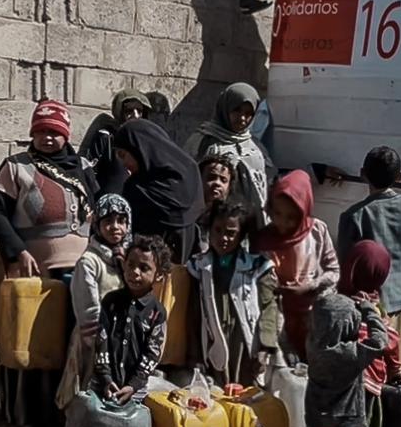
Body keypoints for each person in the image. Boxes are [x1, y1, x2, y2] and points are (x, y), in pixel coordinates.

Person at [0, 98, 97, 427]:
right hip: (35, 273)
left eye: (55, 132)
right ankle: (28, 420)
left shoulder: (82, 167)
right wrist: (17, 250)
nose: (48, 138)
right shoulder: (16, 167)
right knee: (32, 346)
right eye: (42, 132)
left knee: (70, 343)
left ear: (66, 134)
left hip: (79, 271)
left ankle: (65, 417)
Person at [298, 240, 391, 427]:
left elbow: (317, 313)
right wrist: (369, 311)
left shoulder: (312, 346)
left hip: (315, 414)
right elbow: (381, 340)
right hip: (344, 419)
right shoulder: (352, 354)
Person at [336, 146, 401, 375]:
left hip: (368, 305)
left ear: (363, 173)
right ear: (400, 177)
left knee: (373, 366)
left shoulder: (353, 216)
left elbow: (345, 263)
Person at [188, 199, 281, 388]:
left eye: (231, 233)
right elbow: (193, 313)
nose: (223, 238)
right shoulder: (198, 267)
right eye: (218, 230)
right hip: (213, 343)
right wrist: (195, 355)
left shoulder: (257, 266)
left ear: (241, 235)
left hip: (245, 344)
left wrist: (265, 347)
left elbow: (269, 307)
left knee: (246, 395)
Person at [254, 171, 340, 363]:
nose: (282, 223)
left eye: (291, 217)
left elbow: (333, 271)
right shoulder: (263, 240)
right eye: (277, 214)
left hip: (312, 319)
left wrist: (310, 286)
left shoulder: (317, 231)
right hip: (275, 321)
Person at [57, 193, 131, 409]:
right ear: (97, 226)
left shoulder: (129, 261)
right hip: (94, 339)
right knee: (88, 393)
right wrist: (98, 342)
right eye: (108, 221)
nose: (115, 227)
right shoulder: (89, 262)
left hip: (121, 339)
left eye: (121, 221)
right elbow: (88, 307)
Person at [346, 256, 401, 427]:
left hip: (345, 378)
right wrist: (396, 370)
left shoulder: (343, 299)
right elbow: (390, 342)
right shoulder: (377, 309)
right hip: (370, 382)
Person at [91, 236, 172, 405]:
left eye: (144, 268)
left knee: (132, 426)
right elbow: (101, 341)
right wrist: (106, 378)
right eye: (131, 265)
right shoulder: (110, 302)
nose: (135, 272)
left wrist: (134, 385)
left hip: (136, 390)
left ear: (159, 276)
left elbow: (153, 353)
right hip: (103, 384)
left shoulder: (157, 313)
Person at [113, 119, 203, 264]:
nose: (123, 163)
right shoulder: (189, 171)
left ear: (140, 147)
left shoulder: (189, 172)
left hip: (187, 267)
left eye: (123, 155)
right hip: (145, 269)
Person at [188, 83, 276, 216]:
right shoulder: (203, 141)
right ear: (225, 108)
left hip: (246, 223)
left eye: (248, 113)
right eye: (237, 110)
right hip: (211, 221)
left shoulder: (256, 147)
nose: (242, 118)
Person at [80, 89, 152, 196]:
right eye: (129, 111)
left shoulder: (146, 142)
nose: (135, 115)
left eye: (139, 111)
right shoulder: (107, 137)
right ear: (120, 113)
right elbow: (88, 171)